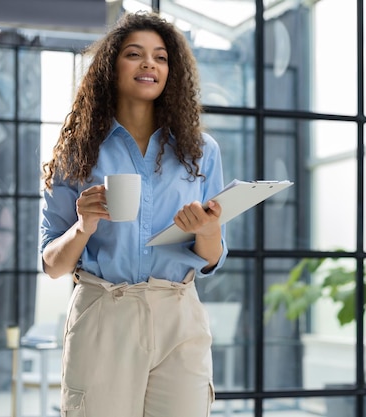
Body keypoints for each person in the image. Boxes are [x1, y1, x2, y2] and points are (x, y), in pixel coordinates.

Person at [39, 11, 228, 417]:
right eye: (134, 54)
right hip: (105, 312)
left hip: (179, 313)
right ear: (111, 67)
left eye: (161, 58)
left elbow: (212, 257)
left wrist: (207, 228)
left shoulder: (200, 151)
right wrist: (82, 226)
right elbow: (53, 265)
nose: (149, 64)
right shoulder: (78, 150)